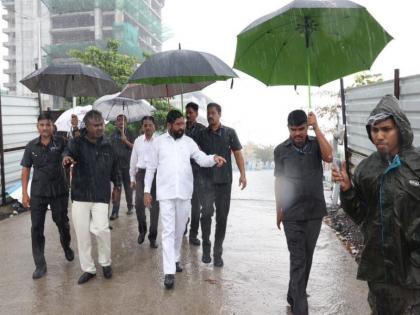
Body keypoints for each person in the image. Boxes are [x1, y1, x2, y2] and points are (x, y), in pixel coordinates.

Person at [332, 95, 420, 314]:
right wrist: (347, 190)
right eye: (374, 129)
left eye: (386, 129)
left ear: (399, 128)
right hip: (379, 272)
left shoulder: (417, 164)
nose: (379, 135)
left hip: (413, 271)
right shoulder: (365, 169)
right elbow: (362, 216)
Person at [144, 110, 226, 289]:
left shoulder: (189, 142)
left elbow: (201, 158)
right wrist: (146, 191)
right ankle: (168, 272)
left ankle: (175, 259)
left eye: (183, 124)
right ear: (169, 125)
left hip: (184, 192)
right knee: (167, 230)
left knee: (179, 228)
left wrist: (213, 158)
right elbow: (150, 168)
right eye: (178, 124)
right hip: (165, 193)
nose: (182, 127)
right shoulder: (158, 143)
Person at [274, 110, 332, 315]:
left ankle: (293, 293)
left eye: (301, 129)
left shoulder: (316, 144)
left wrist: (316, 127)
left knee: (307, 258)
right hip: (292, 213)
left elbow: (329, 156)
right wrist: (278, 209)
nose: (298, 134)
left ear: (306, 127)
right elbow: (279, 182)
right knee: (298, 260)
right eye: (293, 130)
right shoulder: (280, 150)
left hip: (314, 211)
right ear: (288, 128)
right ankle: (300, 308)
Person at [62, 110, 121, 285]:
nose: (100, 128)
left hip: (101, 195)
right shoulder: (77, 143)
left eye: (101, 124)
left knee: (102, 229)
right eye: (96, 125)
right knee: (82, 234)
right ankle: (88, 269)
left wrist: (117, 186)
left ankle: (105, 263)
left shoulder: (109, 144)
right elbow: (66, 153)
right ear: (87, 126)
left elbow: (115, 167)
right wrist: (66, 159)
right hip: (80, 195)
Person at [21, 112, 74, 279]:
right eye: (42, 125)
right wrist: (24, 193)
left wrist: (66, 159)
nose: (45, 128)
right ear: (38, 127)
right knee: (36, 227)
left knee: (62, 223)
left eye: (48, 125)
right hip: (38, 192)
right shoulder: (31, 147)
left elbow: (67, 153)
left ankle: (66, 246)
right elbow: (26, 169)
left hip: (59, 191)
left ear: (53, 127)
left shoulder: (62, 142)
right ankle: (40, 264)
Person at [196, 103, 247, 267]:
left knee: (222, 218)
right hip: (206, 182)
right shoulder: (201, 134)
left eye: (213, 113)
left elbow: (238, 154)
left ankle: (217, 252)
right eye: (208, 113)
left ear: (219, 114)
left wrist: (243, 175)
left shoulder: (230, 133)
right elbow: (195, 154)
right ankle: (206, 246)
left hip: (224, 182)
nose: (210, 116)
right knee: (206, 214)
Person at [130, 116, 159, 248]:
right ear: (142, 127)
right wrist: (132, 178)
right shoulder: (137, 141)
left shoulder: (160, 141)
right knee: (138, 204)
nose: (147, 127)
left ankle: (153, 237)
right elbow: (133, 161)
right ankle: (142, 230)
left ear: (154, 126)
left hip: (156, 176)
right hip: (141, 175)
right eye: (145, 125)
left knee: (154, 208)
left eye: (150, 125)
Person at [185, 102, 206, 246]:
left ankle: (193, 234)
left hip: (198, 172)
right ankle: (182, 227)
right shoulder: (180, 128)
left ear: (196, 114)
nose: (188, 115)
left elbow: (206, 150)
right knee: (182, 202)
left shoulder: (202, 130)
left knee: (195, 205)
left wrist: (199, 148)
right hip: (183, 171)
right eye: (187, 112)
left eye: (191, 112)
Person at [110, 114, 135, 220]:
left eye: (123, 120)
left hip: (128, 166)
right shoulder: (113, 135)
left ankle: (130, 206)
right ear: (116, 123)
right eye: (119, 120)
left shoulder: (130, 133)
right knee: (117, 188)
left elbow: (136, 148)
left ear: (126, 123)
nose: (121, 122)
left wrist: (126, 141)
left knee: (129, 189)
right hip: (116, 166)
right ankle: (115, 211)